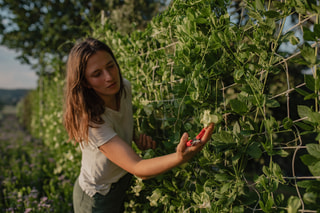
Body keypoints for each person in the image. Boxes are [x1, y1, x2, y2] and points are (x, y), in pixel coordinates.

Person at [63, 37, 214, 213]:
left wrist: (134, 137)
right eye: (97, 74)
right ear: (85, 83)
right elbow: (138, 168)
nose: (110, 77)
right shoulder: (91, 122)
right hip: (97, 197)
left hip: (120, 183)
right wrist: (180, 157)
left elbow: (122, 118)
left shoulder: (124, 88)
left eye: (111, 66)